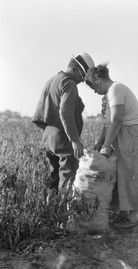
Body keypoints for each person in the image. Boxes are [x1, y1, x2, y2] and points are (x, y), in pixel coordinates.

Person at [85, 64, 138, 229]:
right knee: (121, 173)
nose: (94, 91)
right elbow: (108, 124)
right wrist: (99, 144)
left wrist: (106, 146)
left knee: (131, 173)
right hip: (126, 135)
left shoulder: (116, 89)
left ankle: (133, 219)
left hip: (135, 135)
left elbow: (117, 120)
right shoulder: (109, 95)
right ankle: (124, 213)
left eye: (93, 86)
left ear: (98, 79)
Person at [32, 52, 95, 192]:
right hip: (64, 140)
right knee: (67, 180)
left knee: (53, 180)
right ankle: (63, 213)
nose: (81, 81)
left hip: (49, 138)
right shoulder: (70, 83)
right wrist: (75, 140)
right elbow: (65, 113)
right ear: (76, 70)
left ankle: (50, 211)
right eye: (82, 77)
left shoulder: (53, 80)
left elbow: (40, 112)